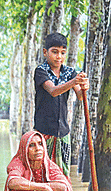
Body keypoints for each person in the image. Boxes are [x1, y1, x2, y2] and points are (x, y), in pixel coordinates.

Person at [34, 32, 88, 175]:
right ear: (46, 52)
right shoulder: (41, 71)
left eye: (63, 53)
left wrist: (84, 86)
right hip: (43, 132)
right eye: (55, 52)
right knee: (42, 173)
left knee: (63, 173)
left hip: (63, 132)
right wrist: (74, 81)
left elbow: (81, 96)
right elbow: (53, 90)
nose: (59, 57)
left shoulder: (69, 72)